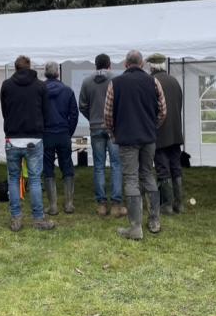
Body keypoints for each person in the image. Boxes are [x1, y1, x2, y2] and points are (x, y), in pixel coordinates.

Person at [104, 50, 167, 240]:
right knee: (148, 174)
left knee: (131, 178)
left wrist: (114, 133)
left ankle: (135, 227)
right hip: (148, 137)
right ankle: (155, 222)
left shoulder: (115, 83)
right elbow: (163, 111)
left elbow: (107, 115)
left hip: (126, 138)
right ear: (142, 64)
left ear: (125, 64)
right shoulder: (153, 82)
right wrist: (152, 127)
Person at [0, 55, 56, 232]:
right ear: (30, 67)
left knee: (14, 179)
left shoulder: (6, 85)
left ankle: (16, 218)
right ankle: (38, 219)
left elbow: (4, 110)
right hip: (34, 138)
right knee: (34, 179)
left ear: (16, 68)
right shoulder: (40, 86)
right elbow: (46, 111)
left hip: (13, 138)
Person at [79, 53, 125, 218]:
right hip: (113, 127)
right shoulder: (117, 80)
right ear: (109, 65)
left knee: (98, 166)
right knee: (116, 165)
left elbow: (82, 105)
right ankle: (116, 205)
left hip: (95, 127)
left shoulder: (86, 81)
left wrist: (92, 118)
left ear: (95, 65)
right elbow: (122, 104)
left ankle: (101, 205)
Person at [146, 53, 184, 215]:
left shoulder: (151, 82)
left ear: (152, 66)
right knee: (176, 167)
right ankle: (179, 204)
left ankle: (167, 205)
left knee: (162, 169)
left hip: (159, 131)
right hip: (175, 131)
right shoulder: (174, 81)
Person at [42, 61, 79, 215]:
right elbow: (74, 115)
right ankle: (69, 204)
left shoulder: (40, 90)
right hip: (63, 133)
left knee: (48, 168)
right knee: (67, 165)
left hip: (46, 134)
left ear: (45, 73)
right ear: (58, 73)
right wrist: (68, 132)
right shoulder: (67, 90)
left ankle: (53, 206)